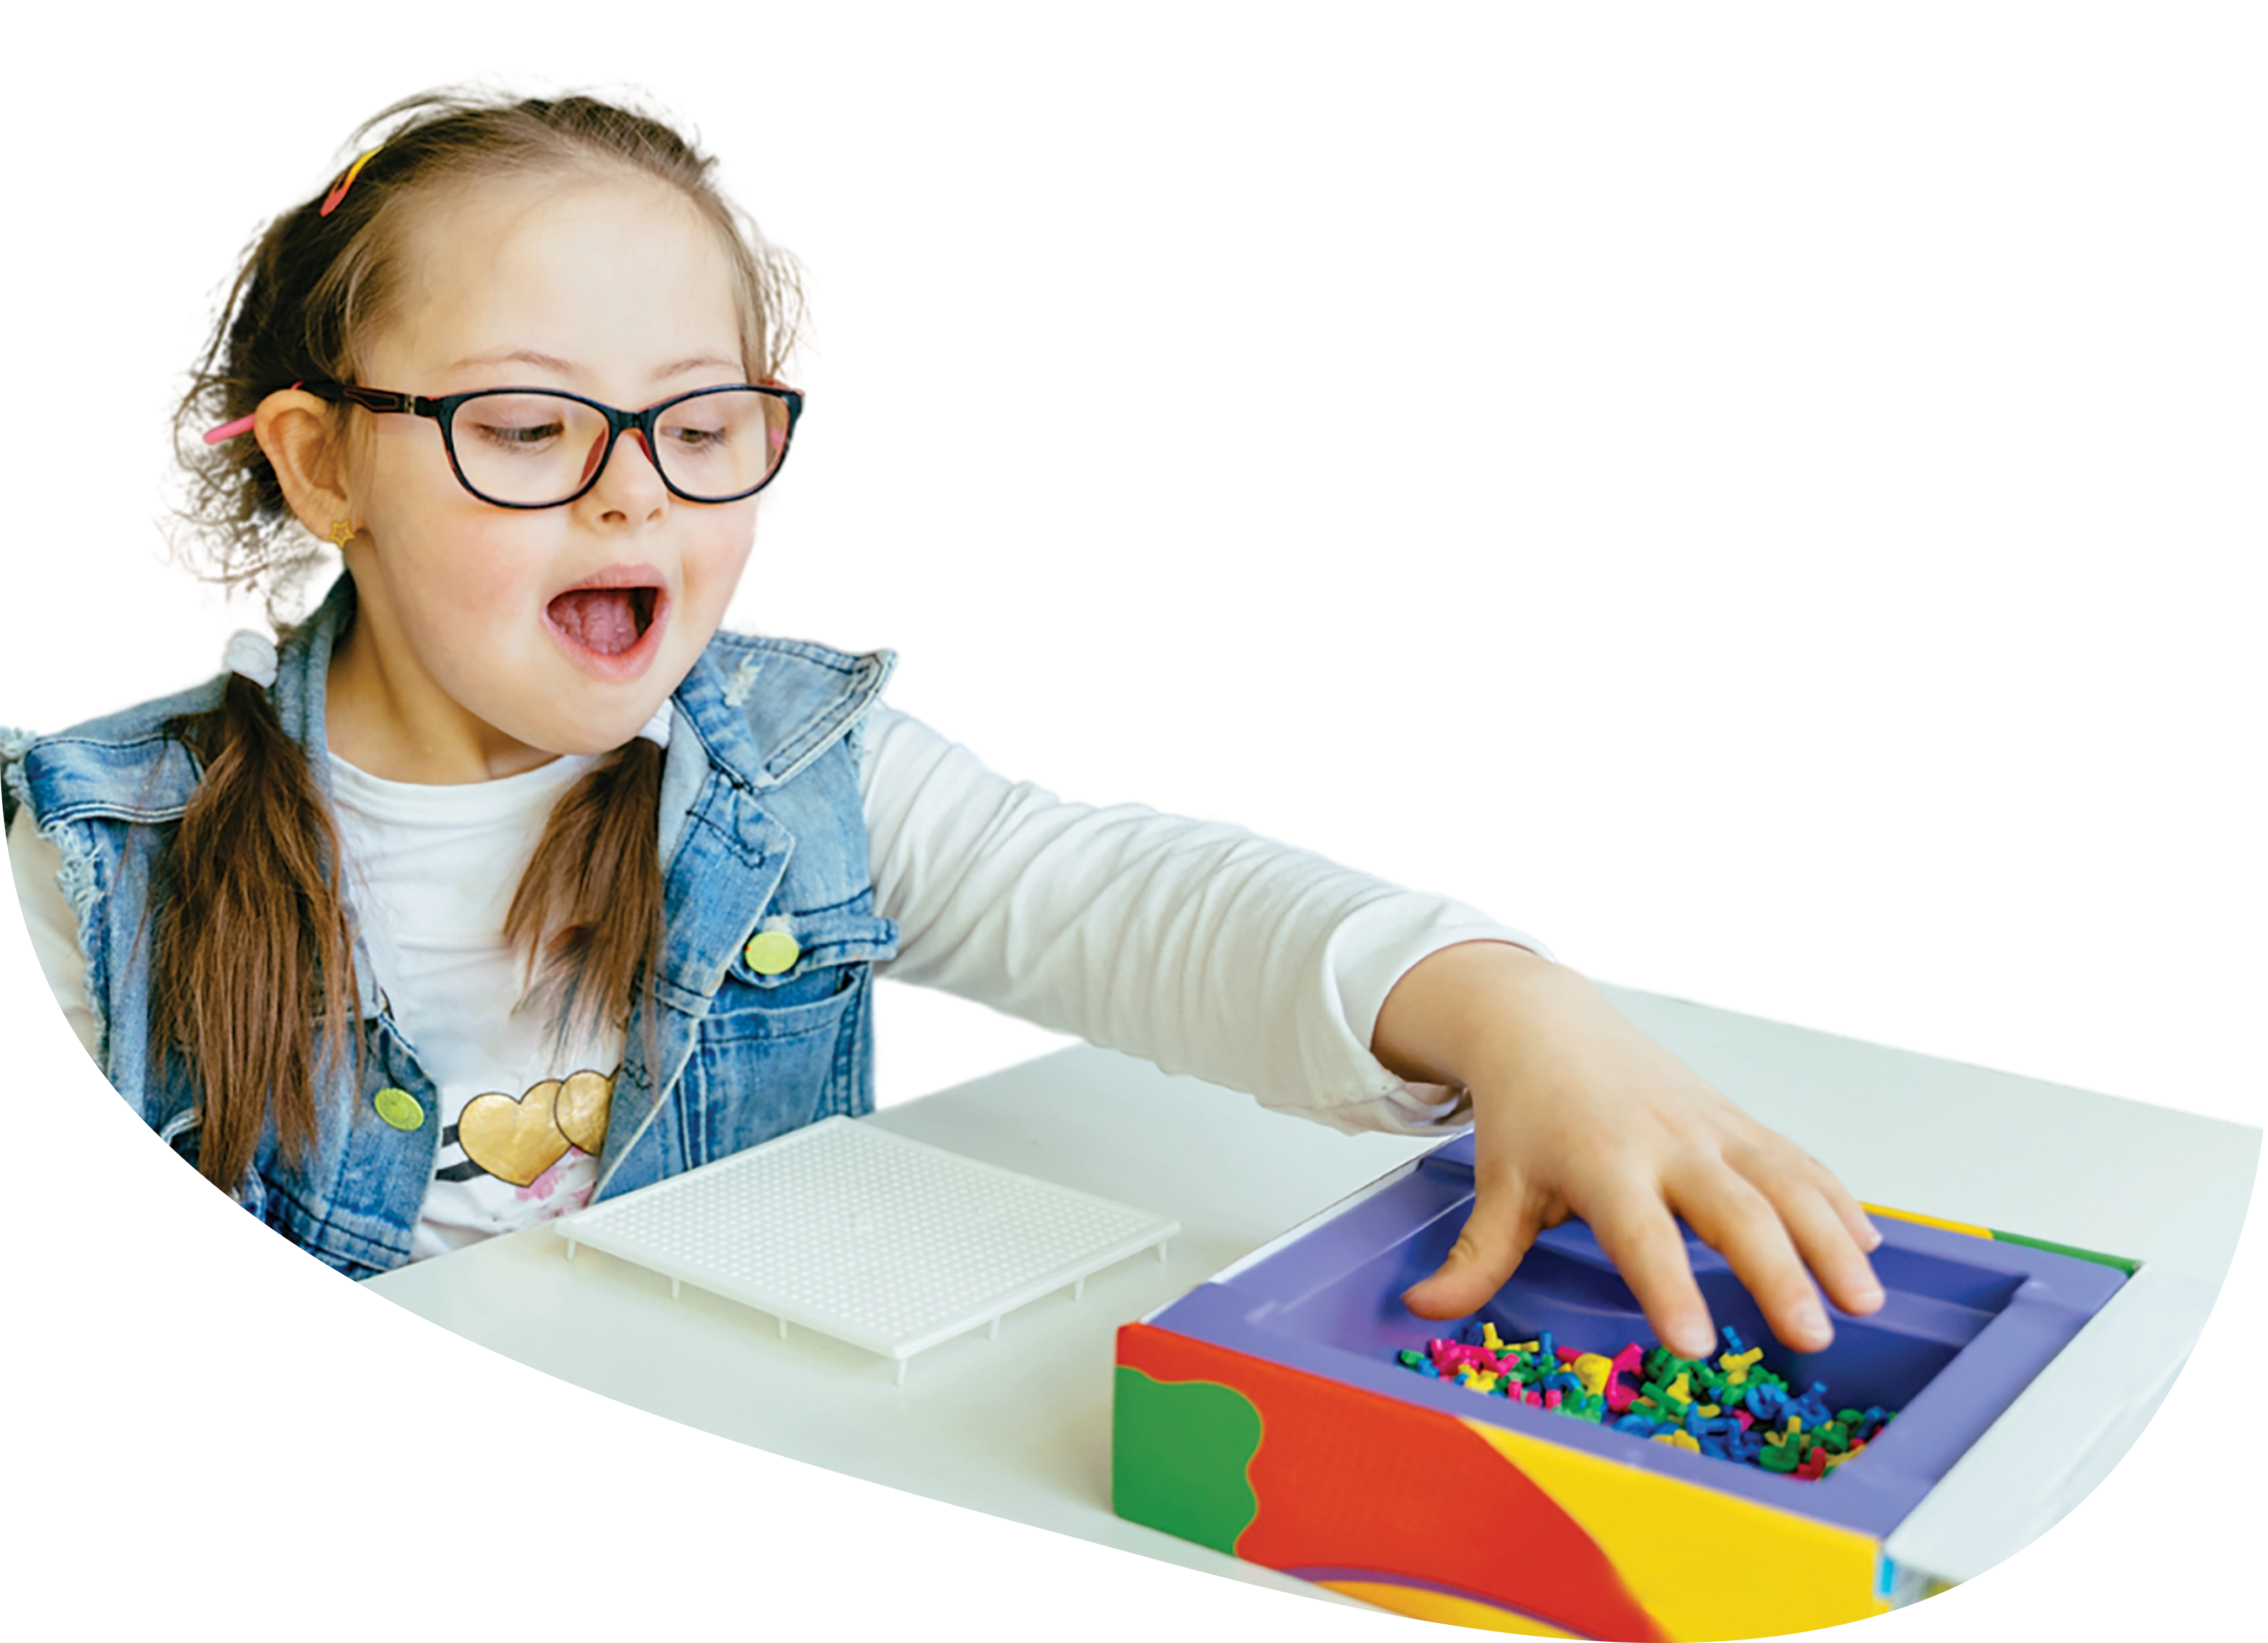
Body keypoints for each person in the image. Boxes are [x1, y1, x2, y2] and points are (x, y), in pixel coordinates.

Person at [2, 70, 1881, 1364]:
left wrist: (1517, 1010)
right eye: (523, 424)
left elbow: (1144, 901)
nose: (634, 489)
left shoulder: (805, 776)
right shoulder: (95, 858)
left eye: (701, 421)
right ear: (328, 467)